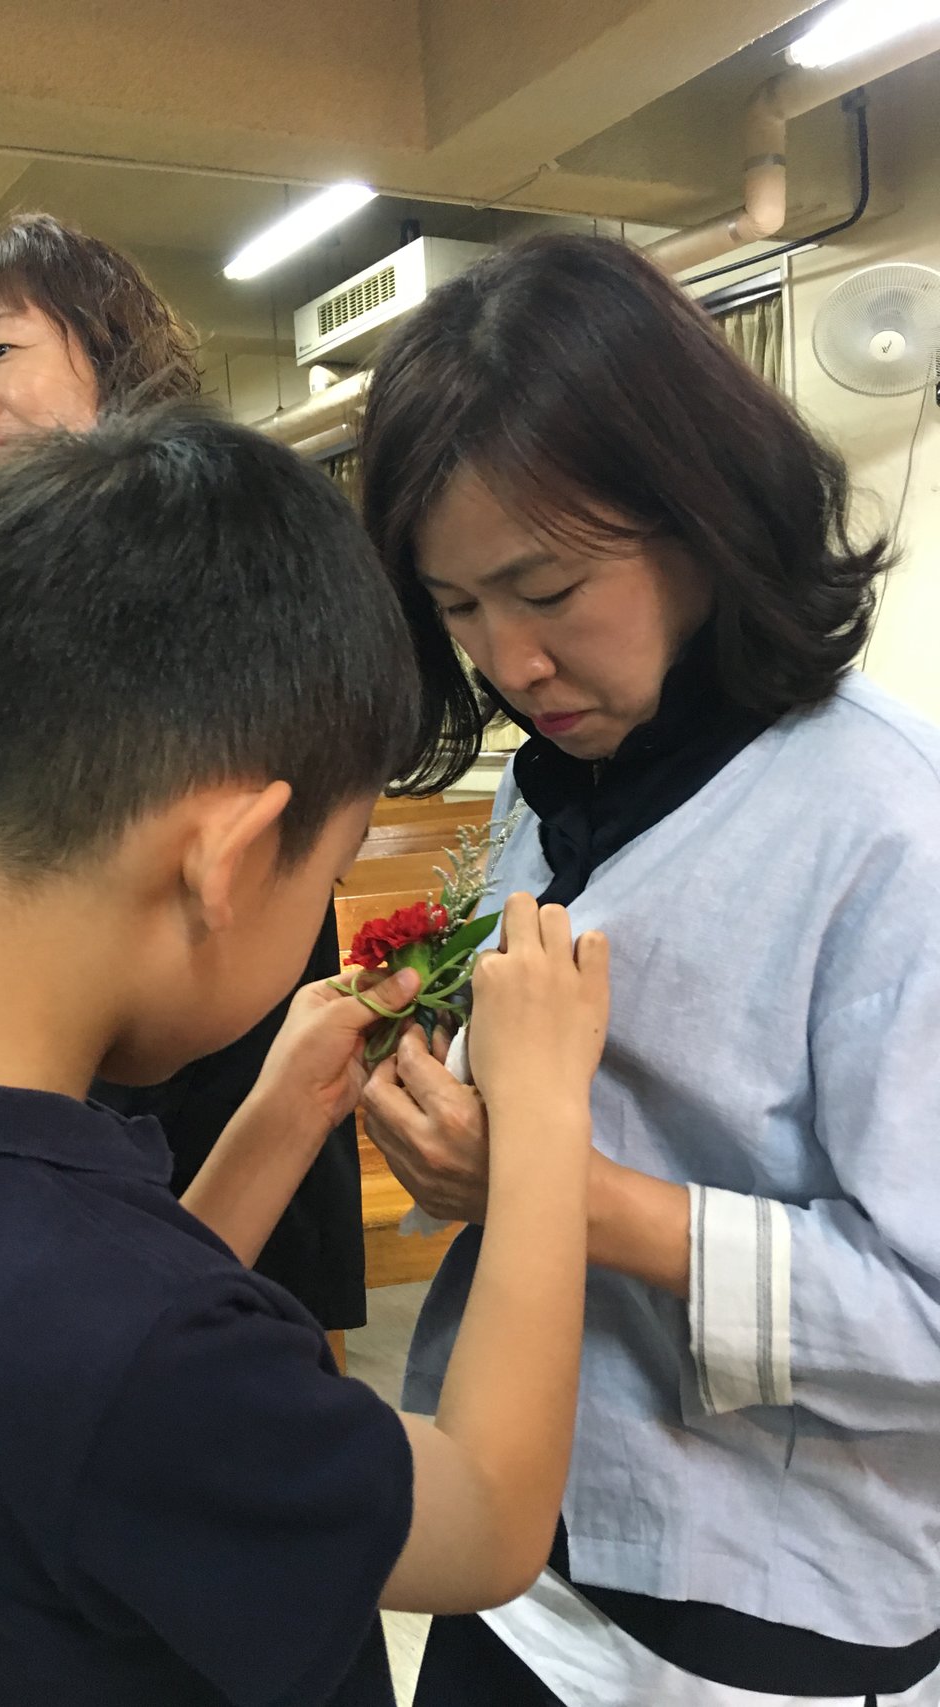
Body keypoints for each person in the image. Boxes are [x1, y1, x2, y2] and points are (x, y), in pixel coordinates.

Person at [0, 412, 609, 1706]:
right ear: (230, 861)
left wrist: (277, 1117)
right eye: (328, 870)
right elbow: (485, 1516)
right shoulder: (140, 1346)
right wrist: (540, 1118)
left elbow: (68, 1403)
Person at [357, 232, 940, 1707]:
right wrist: (453, 1117)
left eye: (546, 588)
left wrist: (562, 1189)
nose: (512, 664)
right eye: (459, 608)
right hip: (521, 1546)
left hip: (757, 1596)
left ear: (702, 520)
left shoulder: (887, 827)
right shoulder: (546, 783)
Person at [0, 210, 367, 1333]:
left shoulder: (225, 571)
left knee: (241, 1355)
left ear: (112, 358)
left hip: (217, 1066)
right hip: (29, 1131)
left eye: (1, 349)